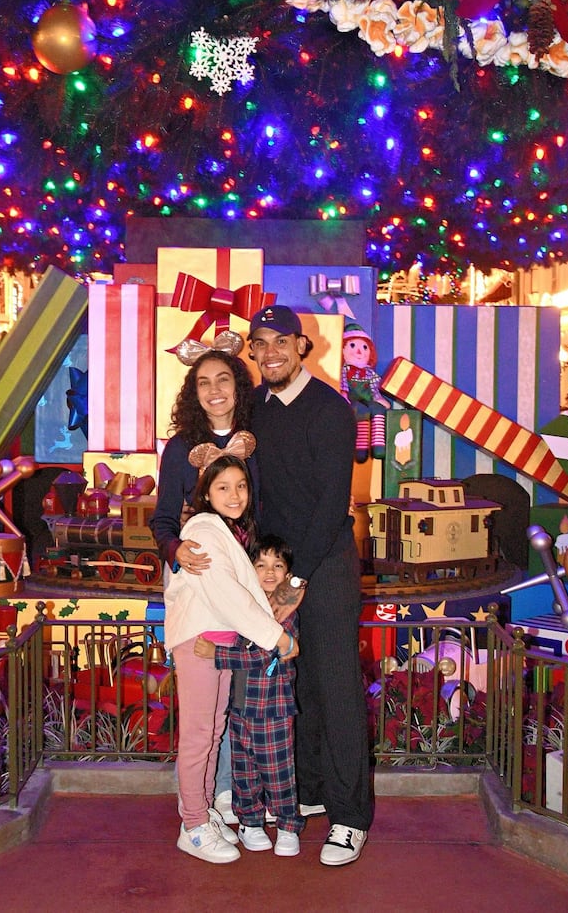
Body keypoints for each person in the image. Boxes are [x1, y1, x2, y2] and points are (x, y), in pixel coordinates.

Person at [248, 304, 373, 867]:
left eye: (281, 342)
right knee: (293, 688)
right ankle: (312, 792)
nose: (270, 352)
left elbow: (329, 505)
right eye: (260, 343)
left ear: (304, 346)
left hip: (321, 568)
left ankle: (350, 818)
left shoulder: (330, 409)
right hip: (273, 570)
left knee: (337, 686)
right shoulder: (256, 405)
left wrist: (296, 578)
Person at [164, 452, 297, 864]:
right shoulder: (203, 528)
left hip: (218, 645)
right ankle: (193, 825)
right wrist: (276, 636)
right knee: (199, 736)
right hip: (200, 642)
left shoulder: (228, 530)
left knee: (213, 731)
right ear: (206, 492)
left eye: (241, 486)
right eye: (223, 487)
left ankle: (203, 813)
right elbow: (224, 591)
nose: (234, 494)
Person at [149, 339, 256, 819]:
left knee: (234, 700)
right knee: (203, 705)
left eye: (224, 379)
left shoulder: (258, 441)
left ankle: (225, 793)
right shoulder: (179, 448)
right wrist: (176, 550)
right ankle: (200, 805)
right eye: (203, 381)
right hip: (200, 585)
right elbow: (162, 520)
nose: (214, 390)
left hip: (246, 588)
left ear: (239, 386)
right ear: (193, 391)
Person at [195, 533, 303, 857]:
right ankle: (250, 822)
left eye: (277, 565)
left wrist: (217, 655)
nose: (269, 572)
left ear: (287, 573)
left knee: (279, 770)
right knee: (244, 771)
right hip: (241, 706)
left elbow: (265, 653)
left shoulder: (287, 612)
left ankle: (287, 824)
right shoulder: (243, 605)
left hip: (272, 708)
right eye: (261, 564)